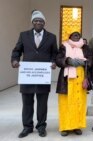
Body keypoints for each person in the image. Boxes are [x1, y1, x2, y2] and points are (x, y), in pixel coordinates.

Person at [11, 10, 58, 138]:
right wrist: (15, 60)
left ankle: (41, 127)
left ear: (44, 23)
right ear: (32, 22)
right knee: (27, 103)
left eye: (41, 21)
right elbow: (17, 51)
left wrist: (53, 62)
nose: (38, 22)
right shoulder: (24, 35)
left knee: (42, 103)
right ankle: (27, 127)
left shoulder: (52, 37)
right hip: (27, 75)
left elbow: (55, 53)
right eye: (36, 20)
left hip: (43, 76)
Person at [55, 32, 92, 136]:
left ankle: (76, 126)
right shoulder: (64, 46)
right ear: (70, 36)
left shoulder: (85, 47)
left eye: (78, 35)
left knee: (79, 103)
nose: (77, 37)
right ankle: (65, 127)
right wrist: (68, 60)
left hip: (80, 78)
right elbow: (58, 60)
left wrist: (83, 62)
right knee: (65, 103)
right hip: (67, 79)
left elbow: (90, 60)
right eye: (74, 35)